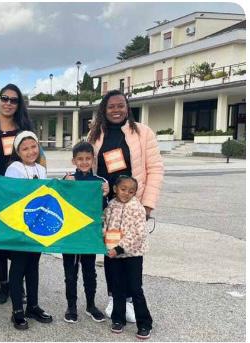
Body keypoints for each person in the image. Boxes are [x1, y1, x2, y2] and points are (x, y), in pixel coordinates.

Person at [87, 89, 164, 322]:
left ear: (127, 107)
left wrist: (148, 205)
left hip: (133, 204)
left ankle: (130, 300)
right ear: (104, 109)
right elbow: (87, 165)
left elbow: (155, 169)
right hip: (107, 205)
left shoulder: (143, 133)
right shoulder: (94, 134)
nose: (116, 110)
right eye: (111, 106)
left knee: (131, 252)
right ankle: (114, 297)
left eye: (121, 105)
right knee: (112, 253)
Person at [0, 83, 46, 305]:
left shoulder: (25, 128)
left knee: (20, 240)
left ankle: (19, 285)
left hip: (22, 196)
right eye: (4, 98)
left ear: (19, 104)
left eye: (13, 100)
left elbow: (40, 158)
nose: (8, 103)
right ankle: (4, 284)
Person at [4, 131, 52, 330]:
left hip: (38, 228)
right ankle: (17, 310)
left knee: (33, 267)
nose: (30, 151)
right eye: (25, 148)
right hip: (20, 227)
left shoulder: (41, 169)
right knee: (18, 268)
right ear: (18, 151)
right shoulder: (14, 168)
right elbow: (10, 195)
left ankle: (33, 305)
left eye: (33, 147)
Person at [61, 141, 109, 324]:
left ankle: (91, 305)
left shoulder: (100, 182)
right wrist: (64, 185)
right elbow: (59, 202)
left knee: (90, 271)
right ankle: (71, 306)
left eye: (87, 158)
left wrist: (106, 194)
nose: (84, 162)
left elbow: (104, 209)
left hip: (89, 236)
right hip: (71, 236)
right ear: (74, 160)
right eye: (80, 159)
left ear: (93, 160)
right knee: (70, 272)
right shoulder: (68, 179)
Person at [103, 176, 153, 340]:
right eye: (123, 189)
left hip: (132, 255)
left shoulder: (137, 208)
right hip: (114, 255)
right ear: (115, 188)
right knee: (117, 287)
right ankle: (118, 319)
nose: (126, 193)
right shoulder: (111, 205)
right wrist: (103, 240)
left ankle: (144, 323)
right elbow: (105, 223)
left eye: (131, 191)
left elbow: (138, 233)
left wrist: (119, 248)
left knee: (135, 289)